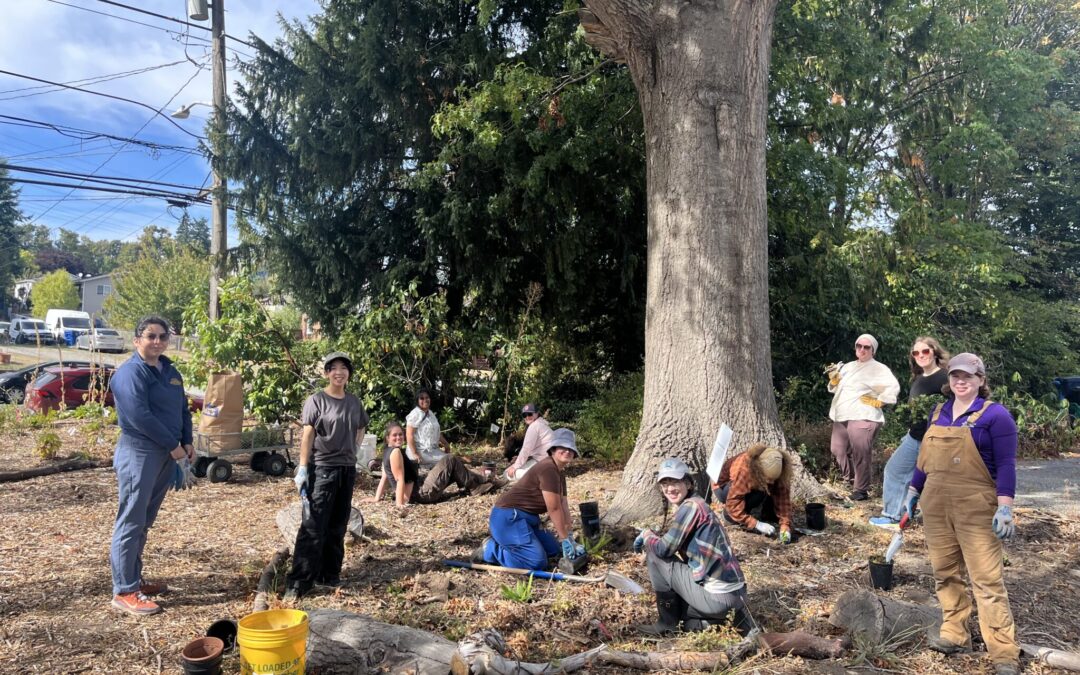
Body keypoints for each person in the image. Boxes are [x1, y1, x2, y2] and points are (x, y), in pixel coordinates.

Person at [903, 353, 1020, 675]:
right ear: (949, 380)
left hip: (976, 506)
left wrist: (1005, 506)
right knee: (945, 573)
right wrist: (912, 492)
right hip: (936, 504)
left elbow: (1007, 465)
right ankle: (955, 633)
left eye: (968, 376)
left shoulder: (996, 417)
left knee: (987, 580)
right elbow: (924, 459)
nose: (961, 381)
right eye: (955, 375)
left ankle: (1004, 652)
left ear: (981, 380)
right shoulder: (937, 412)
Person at [108, 316, 193, 616]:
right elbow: (139, 416)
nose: (157, 342)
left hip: (167, 454)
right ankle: (124, 590)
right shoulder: (130, 373)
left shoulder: (170, 371)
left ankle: (134, 578)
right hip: (140, 452)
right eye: (150, 336)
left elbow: (183, 408)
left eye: (162, 337)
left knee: (144, 521)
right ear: (137, 340)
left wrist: (188, 440)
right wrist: (175, 447)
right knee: (131, 520)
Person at [284, 352, 369, 601]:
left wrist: (354, 449)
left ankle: (329, 575)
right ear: (327, 373)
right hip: (322, 468)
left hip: (346, 469)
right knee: (313, 525)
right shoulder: (317, 400)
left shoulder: (354, 402)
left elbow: (361, 426)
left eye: (344, 368)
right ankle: (299, 582)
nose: (339, 372)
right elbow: (308, 434)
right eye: (334, 368)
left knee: (338, 525)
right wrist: (302, 467)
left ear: (349, 374)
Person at [635, 458, 753, 635]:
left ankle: (667, 624)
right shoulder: (698, 504)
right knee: (684, 615)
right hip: (738, 597)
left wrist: (647, 536)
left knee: (653, 553)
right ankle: (708, 622)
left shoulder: (691, 507)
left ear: (688, 483)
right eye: (665, 484)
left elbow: (663, 549)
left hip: (718, 598)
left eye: (675, 482)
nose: (669, 489)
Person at [869, 336, 949, 528]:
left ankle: (893, 516)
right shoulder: (919, 378)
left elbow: (953, 408)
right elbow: (916, 410)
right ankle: (903, 512)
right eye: (916, 353)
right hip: (913, 436)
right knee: (904, 474)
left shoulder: (945, 377)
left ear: (935, 352)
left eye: (925, 351)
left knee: (897, 471)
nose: (920, 355)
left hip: (931, 439)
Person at [477, 428, 583, 570]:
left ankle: (514, 544)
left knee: (553, 550)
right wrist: (564, 538)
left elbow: (563, 505)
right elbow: (554, 509)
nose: (567, 451)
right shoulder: (548, 469)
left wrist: (569, 535)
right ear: (553, 449)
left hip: (528, 518)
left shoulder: (559, 473)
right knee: (536, 563)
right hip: (508, 518)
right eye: (562, 447)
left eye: (570, 448)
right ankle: (490, 550)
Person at [826, 333, 900, 500]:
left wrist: (880, 401)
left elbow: (893, 387)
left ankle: (861, 490)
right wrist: (834, 381)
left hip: (864, 415)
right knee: (837, 449)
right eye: (859, 346)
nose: (862, 349)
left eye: (867, 347)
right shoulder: (848, 366)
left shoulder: (879, 369)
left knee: (861, 452)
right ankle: (851, 480)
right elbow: (837, 389)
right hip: (842, 414)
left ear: (873, 350)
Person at [368, 422, 504, 507]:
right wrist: (400, 504)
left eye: (400, 435)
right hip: (421, 492)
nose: (399, 438)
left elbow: (385, 477)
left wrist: (376, 498)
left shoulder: (387, 451)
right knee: (450, 459)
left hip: (419, 484)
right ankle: (477, 486)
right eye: (394, 436)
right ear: (387, 438)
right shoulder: (395, 453)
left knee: (453, 466)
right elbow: (399, 479)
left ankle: (486, 480)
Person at [712, 444, 793, 543]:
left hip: (751, 482)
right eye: (768, 479)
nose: (771, 482)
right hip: (723, 487)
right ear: (758, 470)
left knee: (769, 487)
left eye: (773, 479)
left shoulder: (781, 468)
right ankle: (728, 516)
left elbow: (783, 497)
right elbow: (733, 501)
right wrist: (755, 524)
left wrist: (785, 525)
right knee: (758, 495)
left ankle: (767, 514)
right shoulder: (745, 468)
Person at [505, 403, 554, 481]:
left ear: (537, 414)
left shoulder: (534, 426)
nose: (527, 417)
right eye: (525, 415)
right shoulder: (542, 424)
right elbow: (536, 449)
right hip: (550, 462)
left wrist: (515, 466)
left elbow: (526, 449)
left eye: (530, 414)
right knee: (513, 468)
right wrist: (519, 460)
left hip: (545, 463)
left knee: (507, 474)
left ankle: (540, 478)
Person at [406, 388, 451, 467]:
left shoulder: (430, 413)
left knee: (450, 459)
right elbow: (409, 435)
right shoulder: (415, 414)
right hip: (420, 451)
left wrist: (446, 444)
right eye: (422, 398)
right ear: (417, 400)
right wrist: (415, 453)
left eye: (427, 397)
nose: (425, 400)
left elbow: (436, 432)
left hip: (432, 450)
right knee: (449, 460)